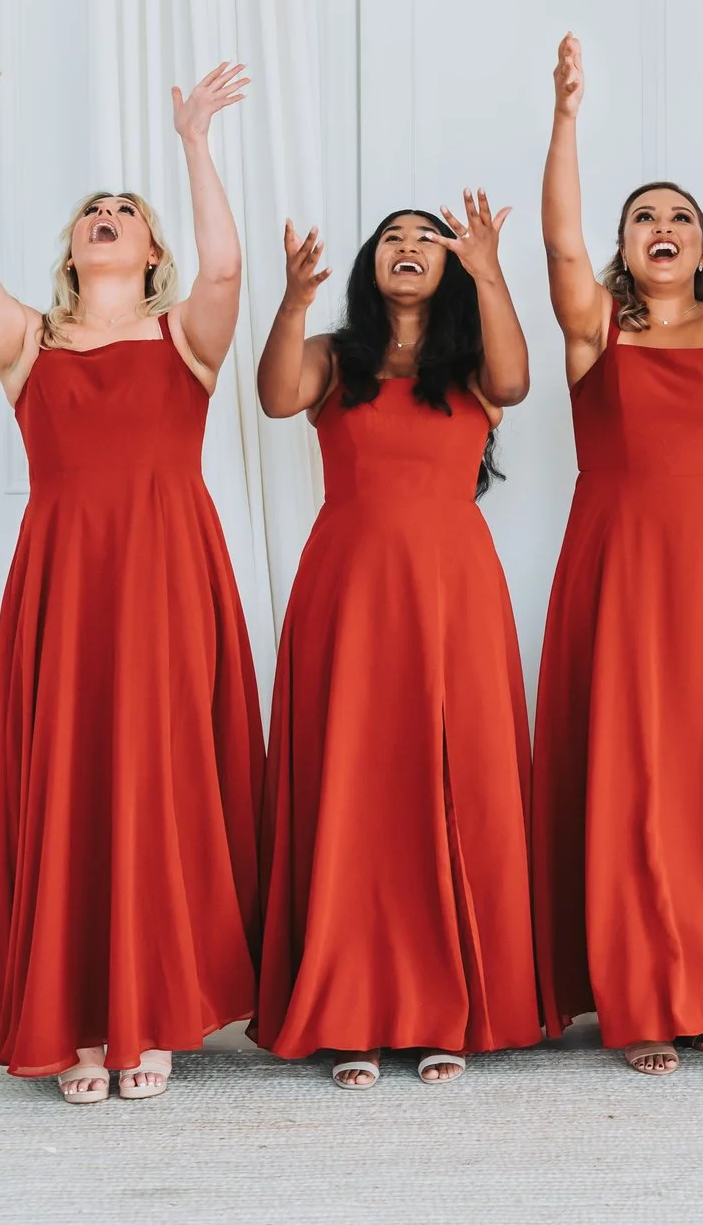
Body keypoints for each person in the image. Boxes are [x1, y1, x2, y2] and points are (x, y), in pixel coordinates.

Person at [0, 40, 261, 1105]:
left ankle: (147, 1014)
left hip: (165, 576)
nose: (108, 213)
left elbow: (232, 271)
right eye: (91, 208)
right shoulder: (30, 341)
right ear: (71, 246)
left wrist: (195, 145)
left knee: (155, 779)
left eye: (127, 207)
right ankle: (82, 1021)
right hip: (65, 581)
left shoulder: (187, 336)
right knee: (74, 778)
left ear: (151, 247)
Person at [530, 35, 703, 1075]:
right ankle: (640, 992)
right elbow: (554, 249)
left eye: (681, 216)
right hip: (623, 565)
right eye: (645, 217)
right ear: (622, 247)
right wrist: (565, 118)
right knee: (632, 769)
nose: (663, 227)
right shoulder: (596, 332)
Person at [252, 197, 541, 1088]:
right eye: (392, 239)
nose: (409, 248)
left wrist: (490, 267)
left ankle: (443, 1006)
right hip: (350, 591)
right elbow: (273, 396)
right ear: (370, 265)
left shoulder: (471, 367)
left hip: (454, 593)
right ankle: (353, 1011)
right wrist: (294, 298)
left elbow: (519, 380)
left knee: (454, 786)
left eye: (427, 239)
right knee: (358, 789)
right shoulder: (336, 359)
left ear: (448, 266)